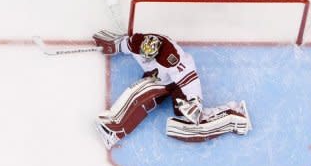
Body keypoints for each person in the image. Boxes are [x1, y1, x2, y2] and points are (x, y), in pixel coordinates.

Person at [92, 30, 252, 149]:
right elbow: (124, 44)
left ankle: (234, 116)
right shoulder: (138, 42)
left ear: (157, 51)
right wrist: (113, 46)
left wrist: (194, 101)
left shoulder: (171, 57)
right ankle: (114, 130)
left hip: (179, 84)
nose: (145, 59)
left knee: (190, 122)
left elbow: (189, 79)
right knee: (136, 93)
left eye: (150, 56)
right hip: (158, 79)